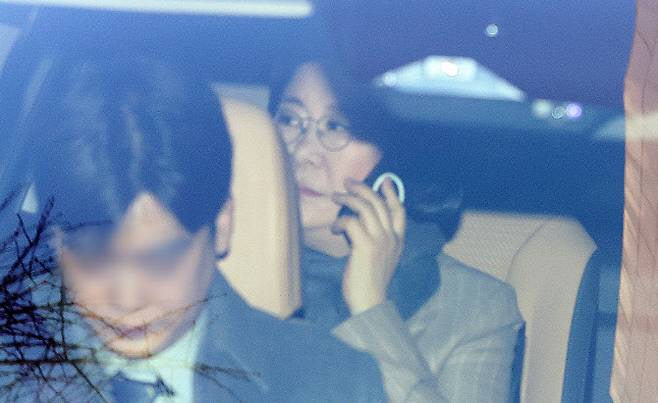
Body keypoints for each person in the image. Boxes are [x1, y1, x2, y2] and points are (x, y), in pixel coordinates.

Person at [0, 51, 386, 402]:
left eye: (161, 260)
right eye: (95, 260)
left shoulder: (335, 385)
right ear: (56, 241)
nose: (128, 298)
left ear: (222, 225)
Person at [270, 61, 525, 402]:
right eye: (289, 119)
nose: (303, 152)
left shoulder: (477, 310)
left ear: (394, 160)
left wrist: (370, 307)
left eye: (337, 126)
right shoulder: (213, 256)